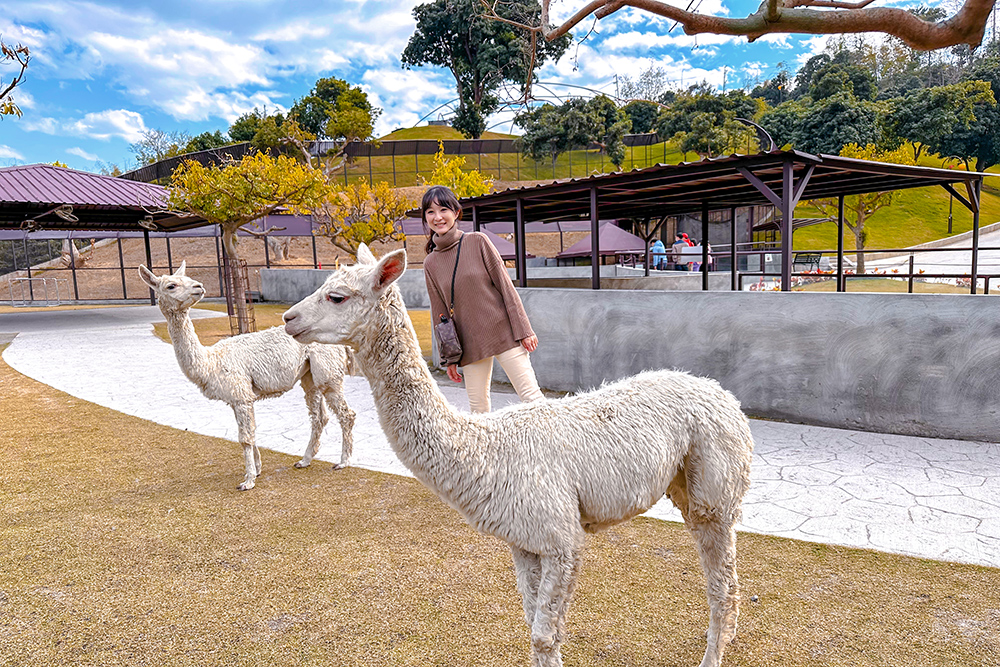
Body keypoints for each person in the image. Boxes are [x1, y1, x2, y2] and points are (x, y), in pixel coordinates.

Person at [422, 185, 544, 413]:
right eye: (430, 211)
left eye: (443, 210)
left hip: (503, 333)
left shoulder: (478, 242)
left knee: (533, 400)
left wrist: (524, 330)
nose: (437, 217)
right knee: (479, 411)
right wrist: (449, 358)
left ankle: (554, 447)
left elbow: (506, 288)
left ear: (456, 212)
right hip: (469, 344)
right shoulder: (430, 263)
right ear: (425, 218)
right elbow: (439, 313)